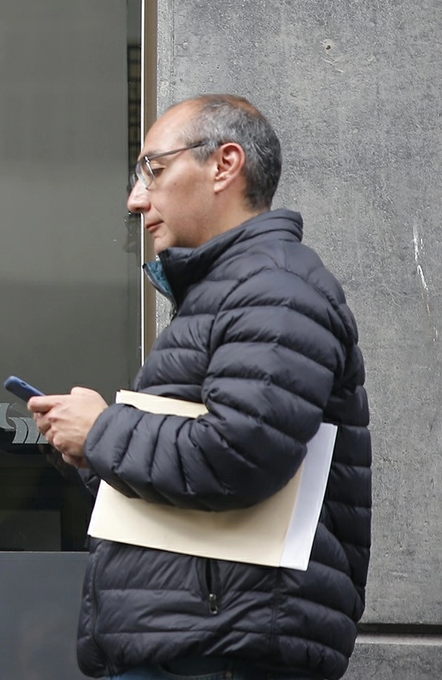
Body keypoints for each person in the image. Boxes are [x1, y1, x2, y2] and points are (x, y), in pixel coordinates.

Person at [29, 95, 370, 680]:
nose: (137, 200)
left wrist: (104, 430)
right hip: (205, 642)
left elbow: (239, 454)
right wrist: (92, 451)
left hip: (222, 651)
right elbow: (209, 463)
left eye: (153, 171)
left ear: (224, 165)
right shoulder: (241, 288)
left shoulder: (273, 287)